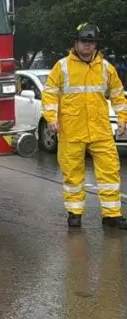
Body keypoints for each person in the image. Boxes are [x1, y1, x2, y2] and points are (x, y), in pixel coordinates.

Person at [42, 23, 127, 229]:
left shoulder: (106, 68)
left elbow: (117, 94)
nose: (87, 45)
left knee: (109, 172)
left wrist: (123, 118)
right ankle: (75, 214)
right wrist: (51, 117)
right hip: (71, 129)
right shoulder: (62, 67)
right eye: (83, 41)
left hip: (100, 129)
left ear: (96, 45)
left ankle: (112, 216)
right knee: (73, 173)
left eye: (91, 42)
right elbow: (50, 93)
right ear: (75, 42)